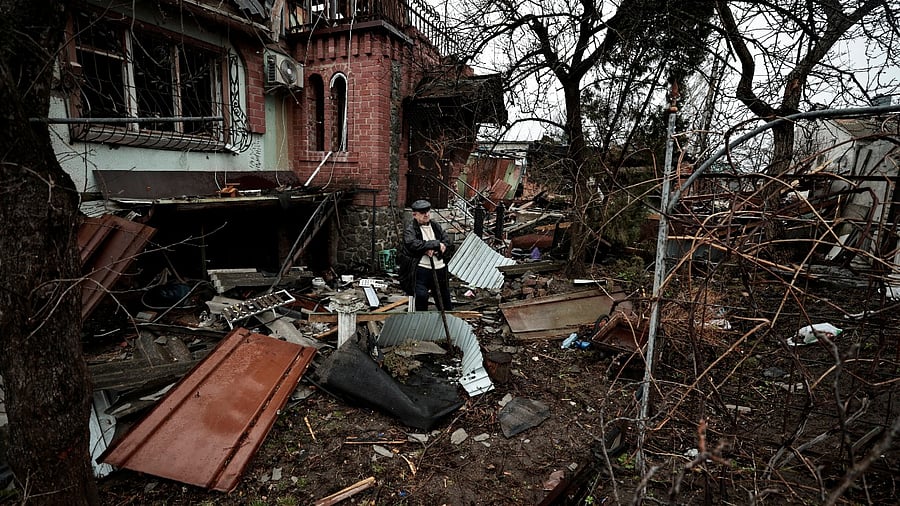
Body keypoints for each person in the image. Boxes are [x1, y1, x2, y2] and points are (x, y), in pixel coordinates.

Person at [400, 199, 453, 311]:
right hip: (421, 270)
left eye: (428, 212)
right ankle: (422, 324)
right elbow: (412, 244)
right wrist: (435, 244)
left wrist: (437, 249)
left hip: (440, 269)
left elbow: (447, 241)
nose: (426, 215)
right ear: (415, 214)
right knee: (421, 297)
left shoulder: (435, 226)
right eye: (423, 213)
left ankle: (447, 323)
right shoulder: (411, 229)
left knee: (444, 300)